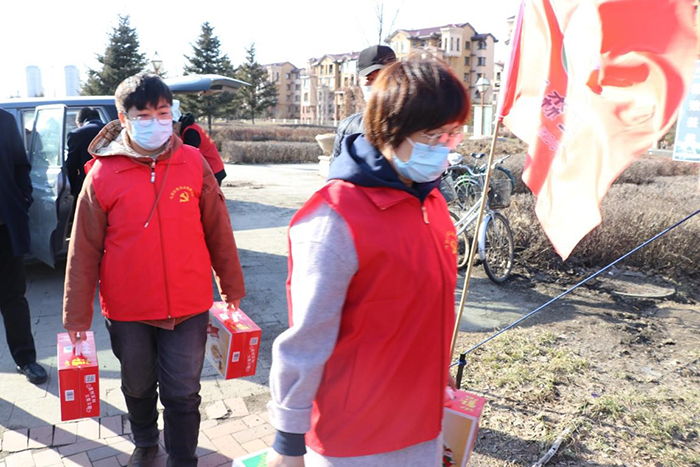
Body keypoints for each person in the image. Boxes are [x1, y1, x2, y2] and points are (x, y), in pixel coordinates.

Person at [267, 57, 469, 467]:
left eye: (453, 134)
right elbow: (307, 339)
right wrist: (287, 440)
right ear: (389, 129)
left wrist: (438, 367)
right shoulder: (335, 217)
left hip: (423, 421)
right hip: (356, 437)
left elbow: (426, 305)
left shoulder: (432, 202)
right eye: (433, 135)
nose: (445, 147)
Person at [62, 73, 245, 467]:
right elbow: (84, 250)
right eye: (143, 115)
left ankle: (182, 457)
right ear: (123, 118)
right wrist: (76, 317)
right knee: (138, 385)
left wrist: (231, 286)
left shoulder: (193, 162)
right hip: (128, 309)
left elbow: (218, 228)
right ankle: (145, 442)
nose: (156, 122)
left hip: (189, 304)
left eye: (163, 113)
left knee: (183, 392)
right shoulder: (102, 174)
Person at [0, 108, 48, 385]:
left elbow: (20, 165)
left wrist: (23, 197)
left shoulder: (4, 120)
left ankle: (25, 359)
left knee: (14, 298)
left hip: (5, 229)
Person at [330, 45, 396, 162]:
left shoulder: (415, 124)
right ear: (360, 81)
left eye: (382, 78)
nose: (376, 85)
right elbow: (336, 169)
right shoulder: (348, 128)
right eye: (369, 79)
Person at [171, 100, 227, 186]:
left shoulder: (190, 132)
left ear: (175, 128)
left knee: (208, 194)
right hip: (211, 167)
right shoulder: (189, 127)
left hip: (212, 169)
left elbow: (189, 156)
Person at [66, 107, 105, 196]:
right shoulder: (112, 131)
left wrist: (74, 189)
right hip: (112, 183)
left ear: (79, 123)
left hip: (87, 184)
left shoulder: (76, 134)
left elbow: (71, 165)